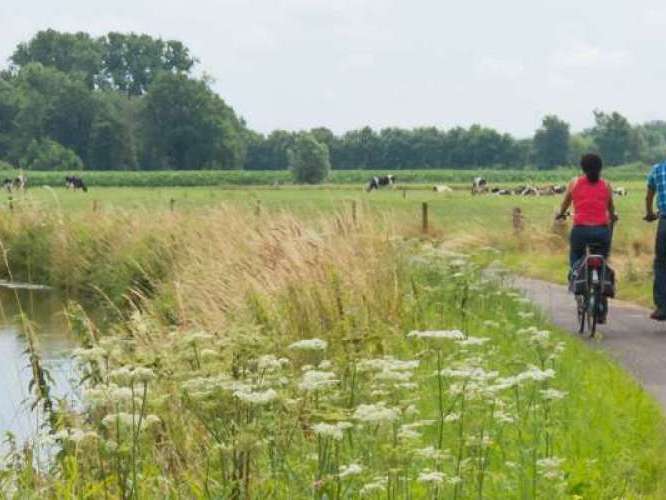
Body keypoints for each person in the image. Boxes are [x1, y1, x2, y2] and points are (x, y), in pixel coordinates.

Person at [556, 154, 616, 323]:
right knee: (602, 259)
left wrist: (561, 213)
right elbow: (610, 208)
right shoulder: (606, 185)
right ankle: (601, 300)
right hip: (602, 232)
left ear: (582, 168)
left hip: (580, 231)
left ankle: (576, 276)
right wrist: (612, 216)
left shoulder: (574, 183)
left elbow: (566, 202)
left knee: (576, 256)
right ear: (600, 168)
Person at [645, 161, 666, 320]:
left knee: (661, 262)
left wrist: (650, 213)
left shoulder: (658, 169)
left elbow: (649, 196)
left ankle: (662, 306)